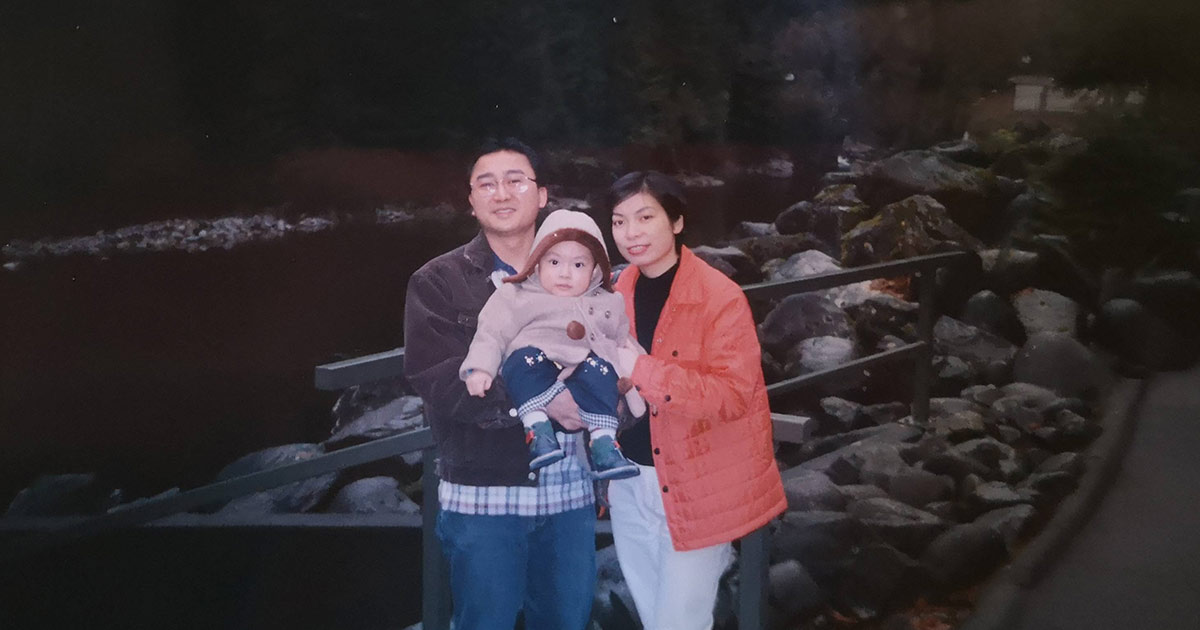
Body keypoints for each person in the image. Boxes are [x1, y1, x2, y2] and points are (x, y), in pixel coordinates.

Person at [403, 138, 596, 630]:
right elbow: (439, 379)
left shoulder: (581, 271)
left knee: (566, 622)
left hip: (570, 494)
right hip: (485, 498)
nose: (501, 193)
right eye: (485, 184)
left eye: (516, 180)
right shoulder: (438, 281)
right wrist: (545, 401)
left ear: (542, 194)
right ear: (471, 201)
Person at [602, 171, 787, 630]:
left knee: (679, 621)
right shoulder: (613, 291)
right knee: (653, 613)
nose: (631, 233)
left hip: (698, 483)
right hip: (629, 482)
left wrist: (642, 370)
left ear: (677, 222)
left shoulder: (719, 297)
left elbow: (731, 395)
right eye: (619, 221)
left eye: (646, 217)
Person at [461, 208, 645, 480]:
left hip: (584, 370)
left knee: (602, 370)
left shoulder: (608, 301)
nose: (565, 274)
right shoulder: (518, 295)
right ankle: (538, 430)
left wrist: (638, 382)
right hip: (537, 367)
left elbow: (622, 341)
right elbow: (491, 333)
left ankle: (604, 443)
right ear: (537, 263)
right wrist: (479, 369)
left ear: (595, 271)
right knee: (522, 361)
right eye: (554, 262)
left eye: (579, 265)